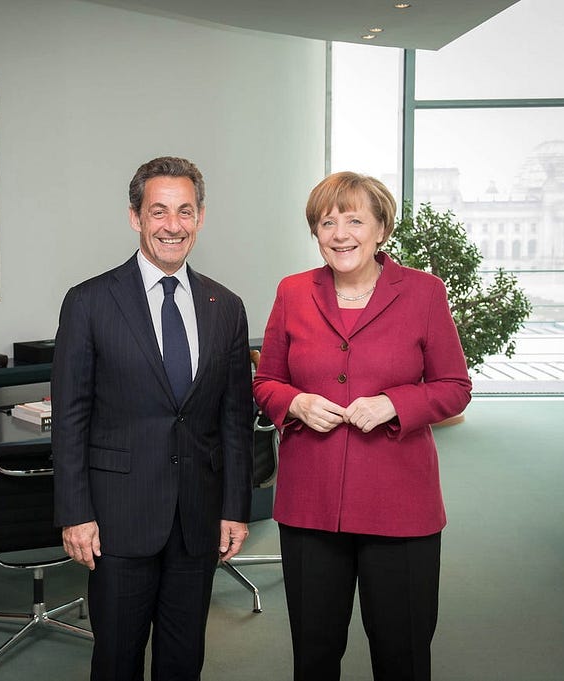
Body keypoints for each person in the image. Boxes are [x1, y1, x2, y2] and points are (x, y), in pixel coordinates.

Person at [252, 171, 472, 681]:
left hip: (400, 506)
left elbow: (455, 386)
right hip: (311, 503)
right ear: (315, 232)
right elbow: (266, 382)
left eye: (355, 220)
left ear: (380, 230)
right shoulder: (293, 292)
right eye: (327, 222)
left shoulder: (423, 293)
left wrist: (395, 404)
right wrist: (298, 402)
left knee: (403, 653)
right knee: (314, 652)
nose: (341, 233)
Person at [52, 156, 253, 681]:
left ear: (200, 218)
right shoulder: (89, 302)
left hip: (197, 519)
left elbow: (235, 419)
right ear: (135, 217)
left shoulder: (225, 306)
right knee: (117, 660)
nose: (172, 226)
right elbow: (70, 418)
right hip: (117, 519)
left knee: (184, 660)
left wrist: (234, 508)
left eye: (185, 211)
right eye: (158, 211)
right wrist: (75, 512)